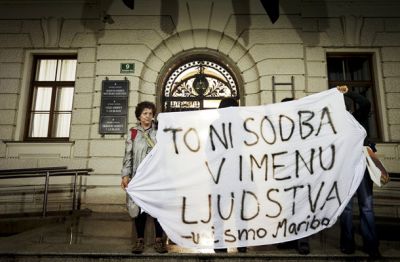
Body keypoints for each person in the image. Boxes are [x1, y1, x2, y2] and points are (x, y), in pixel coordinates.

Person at [337, 85, 386, 259]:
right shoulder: (335, 127)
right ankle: (347, 243)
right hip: (345, 170)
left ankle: (371, 246)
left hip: (363, 168)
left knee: (366, 208)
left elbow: (365, 103)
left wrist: (347, 91)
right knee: (347, 209)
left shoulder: (359, 118)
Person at [121, 101, 167, 254]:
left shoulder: (159, 131)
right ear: (139, 116)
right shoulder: (133, 133)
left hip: (156, 177)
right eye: (145, 113)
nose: (148, 117)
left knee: (157, 208)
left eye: (150, 114)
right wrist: (125, 175)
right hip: (138, 177)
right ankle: (139, 240)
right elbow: (128, 156)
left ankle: (159, 240)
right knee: (138, 209)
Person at [213, 97, 247, 254]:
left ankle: (239, 242)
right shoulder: (215, 126)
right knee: (222, 210)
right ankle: (222, 242)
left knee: (239, 210)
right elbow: (209, 150)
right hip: (224, 174)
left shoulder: (243, 125)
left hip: (238, 173)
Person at [278, 97, 311, 255]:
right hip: (285, 173)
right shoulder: (279, 126)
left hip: (302, 172)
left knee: (302, 206)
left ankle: (303, 241)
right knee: (287, 207)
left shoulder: (303, 125)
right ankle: (288, 239)